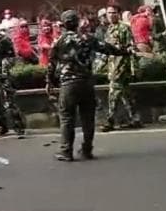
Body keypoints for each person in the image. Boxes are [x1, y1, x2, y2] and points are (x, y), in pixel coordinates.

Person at [46, 10, 131, 161]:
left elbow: (51, 65)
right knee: (87, 117)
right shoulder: (87, 38)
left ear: (64, 24)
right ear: (77, 22)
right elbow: (107, 48)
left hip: (68, 84)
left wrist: (49, 82)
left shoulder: (58, 40)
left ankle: (66, 151)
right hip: (86, 82)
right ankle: (87, 149)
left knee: (67, 118)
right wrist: (125, 51)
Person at [101, 4, 142, 132]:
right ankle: (135, 119)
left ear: (118, 14)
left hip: (121, 66)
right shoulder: (109, 29)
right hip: (112, 65)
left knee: (113, 93)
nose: (111, 15)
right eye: (108, 13)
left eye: (113, 12)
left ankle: (110, 120)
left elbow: (131, 47)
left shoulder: (124, 28)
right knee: (126, 94)